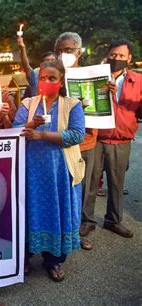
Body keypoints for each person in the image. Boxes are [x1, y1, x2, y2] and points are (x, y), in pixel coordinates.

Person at [13, 59, 85, 282]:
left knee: (57, 212)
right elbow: (14, 132)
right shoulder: (28, 104)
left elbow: (76, 135)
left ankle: (53, 261)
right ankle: (24, 257)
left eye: (52, 78)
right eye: (43, 78)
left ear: (61, 81)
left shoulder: (72, 104)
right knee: (29, 211)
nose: (47, 82)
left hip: (59, 173)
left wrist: (43, 135)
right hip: (32, 172)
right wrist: (32, 125)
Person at [82, 38, 141, 239]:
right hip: (96, 138)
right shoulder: (96, 76)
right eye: (113, 55)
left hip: (121, 139)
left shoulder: (138, 80)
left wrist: (119, 98)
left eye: (122, 56)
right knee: (90, 182)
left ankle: (113, 221)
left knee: (116, 183)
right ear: (108, 55)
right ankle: (87, 220)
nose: (117, 59)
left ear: (129, 58)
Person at [52, 32, 94, 251]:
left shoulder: (91, 75)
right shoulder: (53, 75)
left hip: (85, 140)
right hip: (59, 144)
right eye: (59, 50)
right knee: (63, 193)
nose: (62, 54)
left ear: (79, 51)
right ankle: (65, 235)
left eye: (67, 50)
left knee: (82, 191)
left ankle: (77, 233)